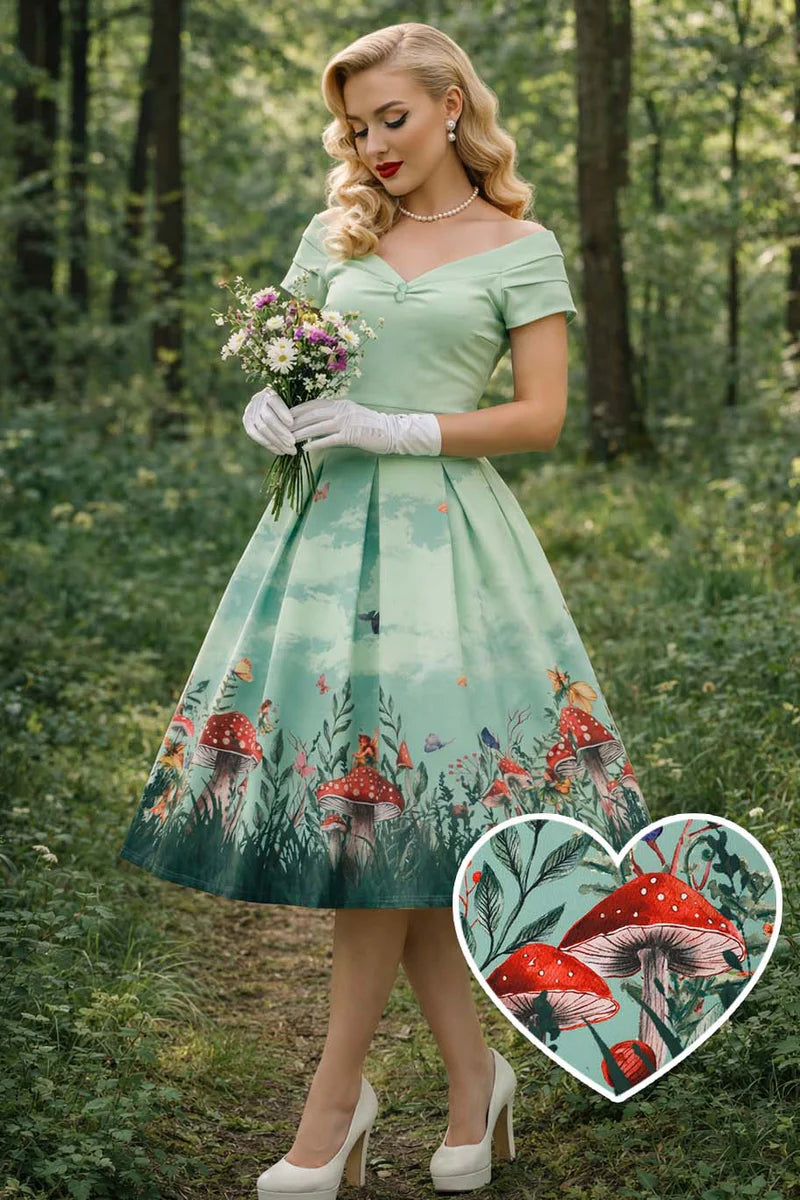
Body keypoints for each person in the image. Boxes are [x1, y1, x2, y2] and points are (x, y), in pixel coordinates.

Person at [118, 20, 654, 1199]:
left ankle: (334, 1097)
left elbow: (540, 418)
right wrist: (269, 411)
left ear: (452, 105)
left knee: (393, 812)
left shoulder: (521, 246)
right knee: (388, 817)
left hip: (447, 550)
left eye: (392, 120)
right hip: (317, 547)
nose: (370, 147)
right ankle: (472, 1082)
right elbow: (287, 367)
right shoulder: (334, 233)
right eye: (355, 128)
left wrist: (396, 427)